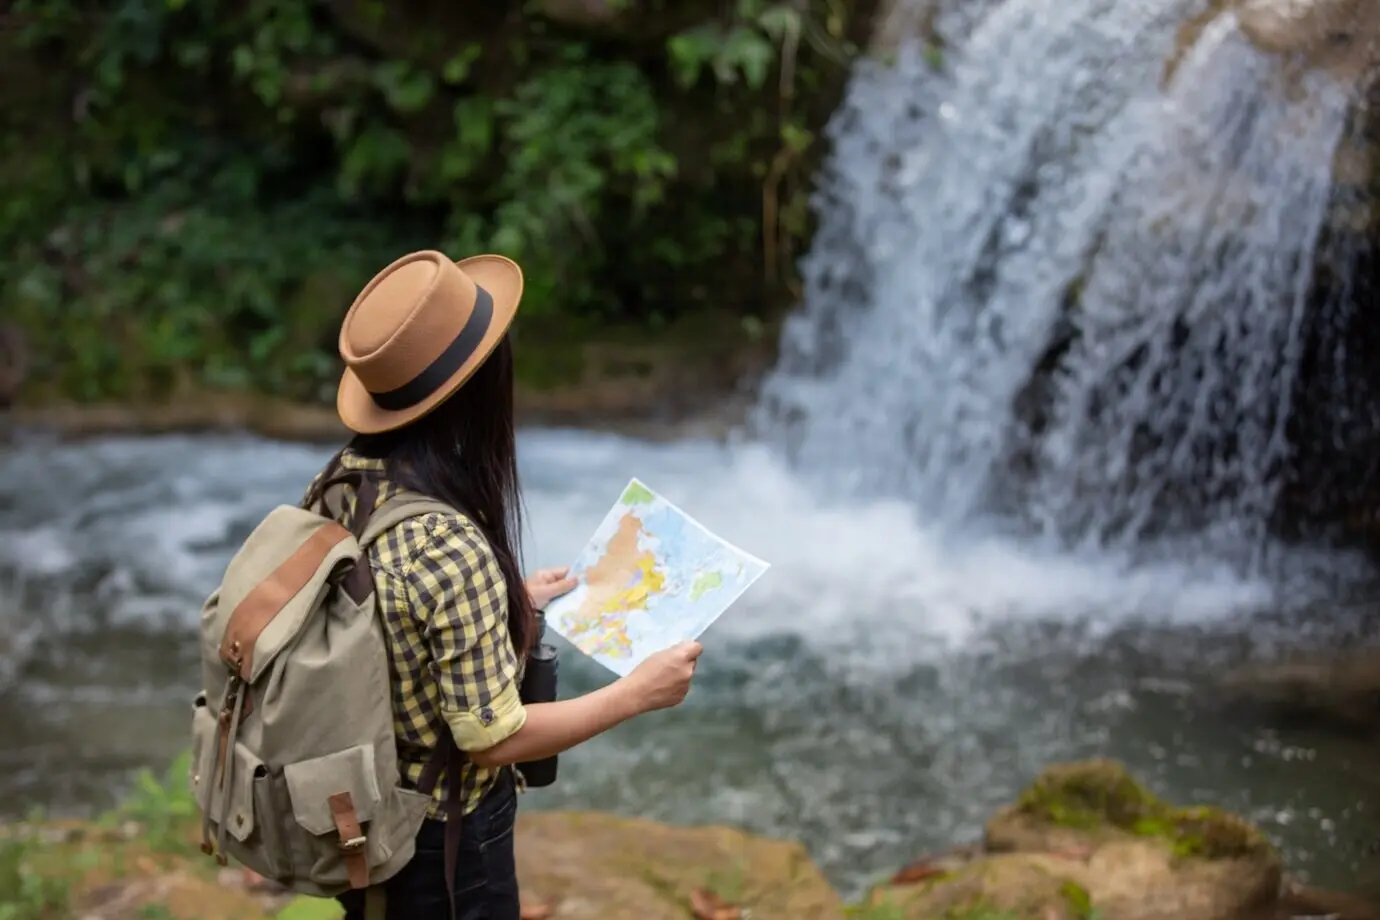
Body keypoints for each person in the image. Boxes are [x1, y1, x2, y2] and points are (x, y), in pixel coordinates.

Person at [300, 250, 703, 920]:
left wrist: (507, 601)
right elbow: (492, 737)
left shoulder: (342, 480)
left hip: (364, 812)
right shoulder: (450, 545)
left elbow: (387, 620)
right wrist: (637, 693)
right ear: (478, 390)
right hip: (443, 847)